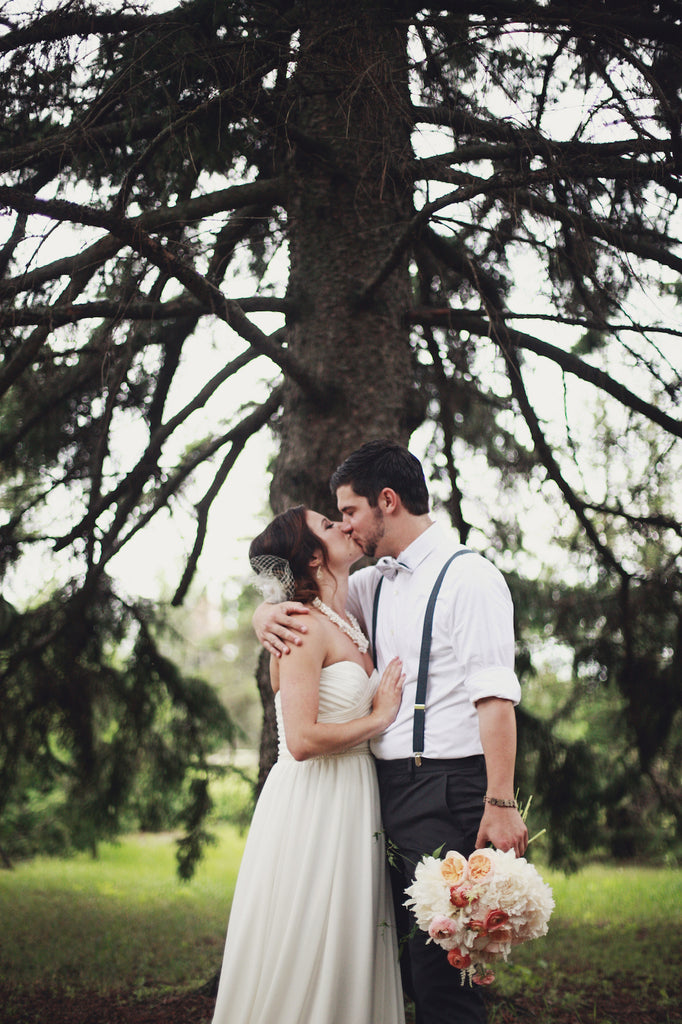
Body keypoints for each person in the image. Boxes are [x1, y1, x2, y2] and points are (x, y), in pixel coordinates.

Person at [254, 440, 529, 1024]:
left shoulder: (469, 577)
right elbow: (304, 597)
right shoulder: (369, 584)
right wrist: (265, 615)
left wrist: (500, 800)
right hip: (374, 793)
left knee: (441, 971)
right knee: (389, 960)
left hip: (445, 788)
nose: (347, 527)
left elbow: (496, 696)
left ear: (387, 501)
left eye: (349, 512)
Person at [211, 504, 407, 1024]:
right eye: (328, 524)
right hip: (315, 797)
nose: (344, 525)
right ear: (314, 559)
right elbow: (298, 740)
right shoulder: (299, 626)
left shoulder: (350, 615)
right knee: (307, 932)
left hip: (354, 796)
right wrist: (379, 717)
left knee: (347, 932)